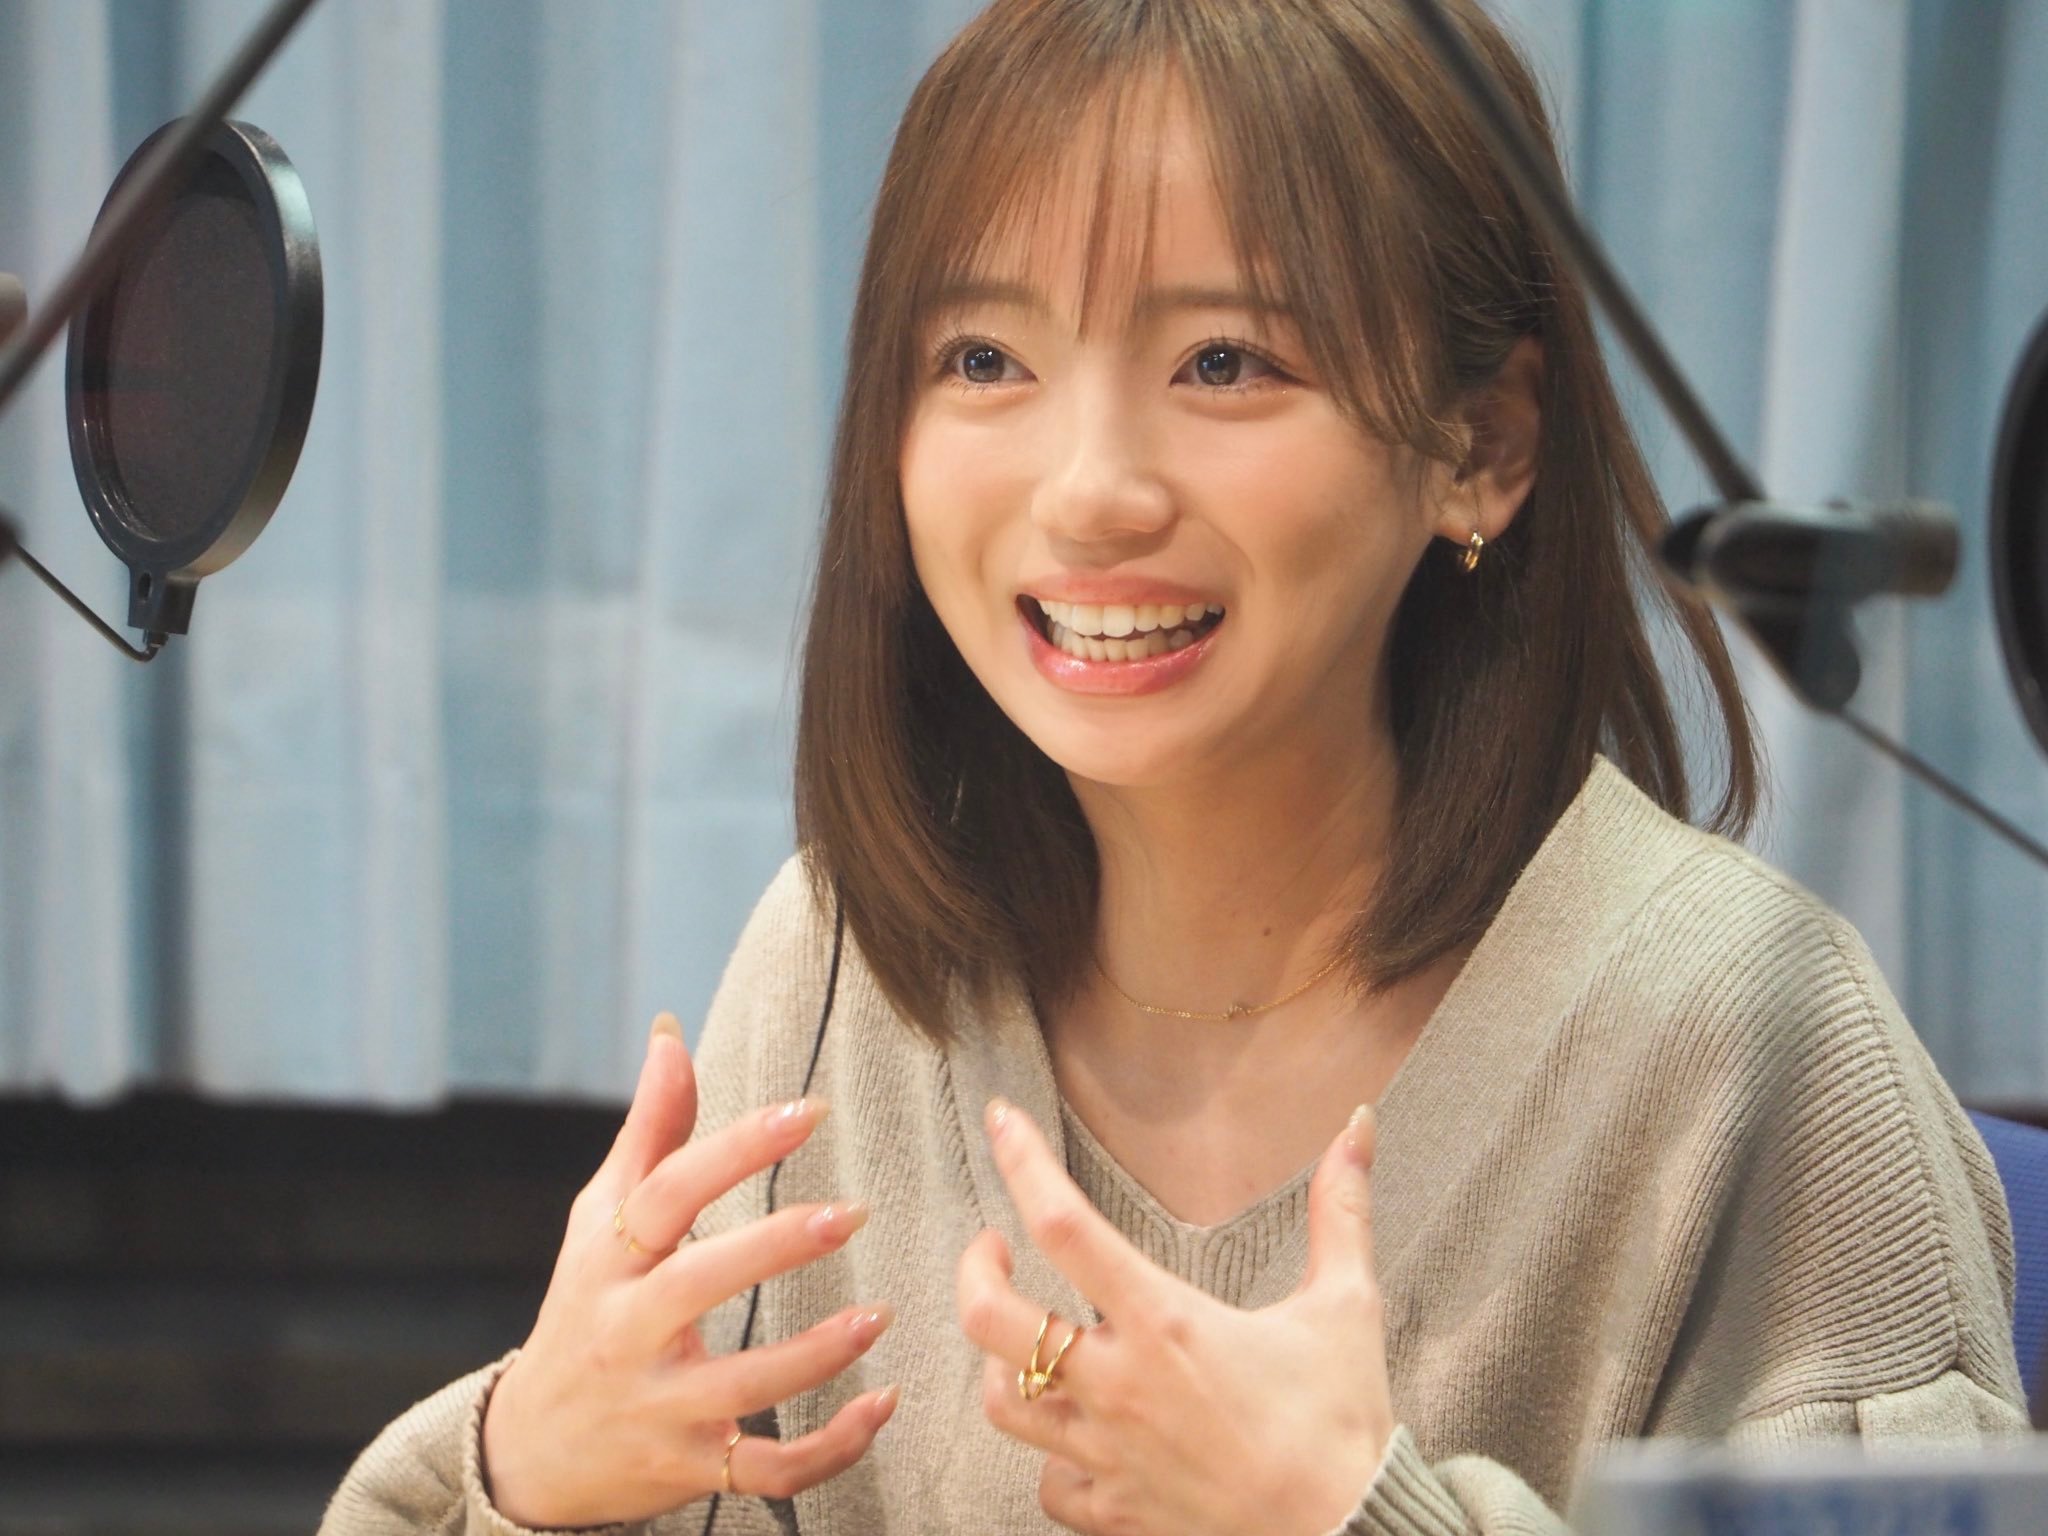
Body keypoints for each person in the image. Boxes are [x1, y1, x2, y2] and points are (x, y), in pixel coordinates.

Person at [321, 1, 2028, 1532]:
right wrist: (528, 1480)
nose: (1089, 494)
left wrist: (1358, 1518)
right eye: (985, 361)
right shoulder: (848, 971)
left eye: (1226, 363)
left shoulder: (1752, 1039)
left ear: (1483, 448)